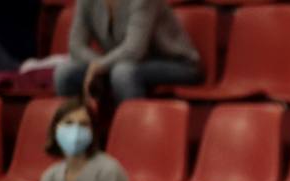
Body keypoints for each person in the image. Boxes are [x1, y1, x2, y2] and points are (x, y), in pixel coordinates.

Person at [53, 0, 201, 105]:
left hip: (176, 64)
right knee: (64, 73)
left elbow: (134, 50)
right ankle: (82, 137)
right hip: (119, 63)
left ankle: (132, 134)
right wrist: (97, 64)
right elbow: (75, 45)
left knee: (123, 73)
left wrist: (100, 66)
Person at [36, 98, 134, 181]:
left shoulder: (108, 172)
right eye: (69, 123)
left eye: (83, 124)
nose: (75, 130)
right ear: (55, 130)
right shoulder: (49, 177)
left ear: (93, 132)